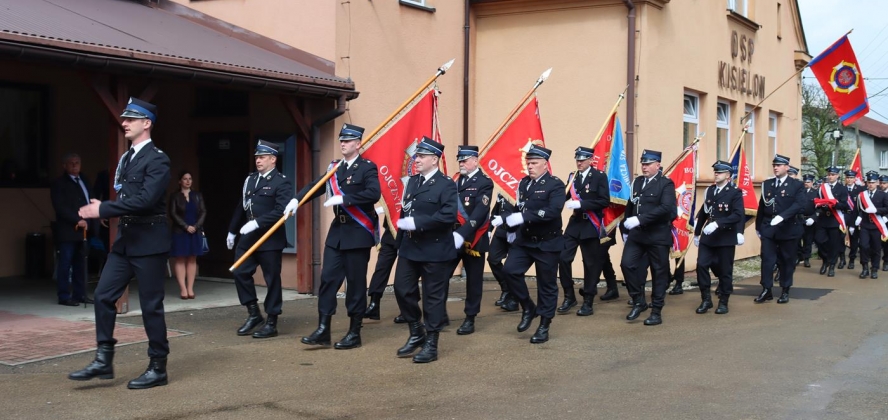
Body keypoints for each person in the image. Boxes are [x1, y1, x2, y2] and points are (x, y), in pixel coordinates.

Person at [68, 98, 172, 389]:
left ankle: (157, 367)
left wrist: (104, 209)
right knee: (102, 295)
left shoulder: (158, 159)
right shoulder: (127, 158)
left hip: (150, 240)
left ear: (146, 123)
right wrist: (110, 209)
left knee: (151, 306)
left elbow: (145, 200)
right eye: (124, 118)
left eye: (131, 119)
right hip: (127, 241)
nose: (124, 123)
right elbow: (127, 199)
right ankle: (104, 359)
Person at [289, 124, 381, 350]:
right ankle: (323, 329)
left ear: (358, 144)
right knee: (328, 280)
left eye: (348, 140)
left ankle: (354, 332)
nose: (343, 143)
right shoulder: (335, 167)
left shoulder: (367, 167)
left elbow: (373, 193)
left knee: (356, 285)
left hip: (358, 233)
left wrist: (345, 199)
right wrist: (297, 200)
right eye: (341, 140)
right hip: (337, 234)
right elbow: (316, 186)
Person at [393, 137, 458, 363]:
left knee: (433, 298)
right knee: (402, 289)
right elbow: (405, 212)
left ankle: (431, 343)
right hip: (410, 248)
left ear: (434, 159)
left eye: (421, 156)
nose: (416, 159)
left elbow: (449, 216)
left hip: (436, 249)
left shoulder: (446, 184)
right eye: (416, 156)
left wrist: (418, 223)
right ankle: (415, 330)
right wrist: (398, 241)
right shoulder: (412, 182)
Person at [227, 140, 292, 339]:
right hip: (248, 236)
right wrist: (232, 231)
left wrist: (258, 223)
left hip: (270, 238)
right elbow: (242, 206)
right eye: (257, 157)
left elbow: (282, 211)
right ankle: (254, 313)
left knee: (272, 279)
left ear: (273, 159)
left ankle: (272, 321)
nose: (258, 160)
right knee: (239, 270)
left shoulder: (281, 182)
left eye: (262, 157)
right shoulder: (251, 180)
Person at [501, 145, 566, 343]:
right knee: (510, 271)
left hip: (547, 243)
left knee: (546, 285)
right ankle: (528, 307)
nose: (530, 166)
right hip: (525, 240)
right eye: (528, 163)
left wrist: (523, 216)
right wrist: (507, 221)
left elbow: (552, 212)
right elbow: (518, 206)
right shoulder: (524, 184)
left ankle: (544, 325)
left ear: (545, 165)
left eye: (534, 163)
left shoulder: (555, 185)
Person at [620, 150, 676, 325]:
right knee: (627, 264)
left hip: (657, 235)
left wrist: (640, 219)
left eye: (648, 164)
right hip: (637, 234)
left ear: (657, 165)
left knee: (659, 273)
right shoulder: (637, 182)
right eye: (643, 164)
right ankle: (638, 300)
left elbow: (666, 208)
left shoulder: (665, 184)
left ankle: (656, 311)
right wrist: (625, 226)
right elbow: (631, 205)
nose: (644, 167)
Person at [558, 146, 609, 316]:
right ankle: (569, 295)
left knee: (590, 264)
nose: (579, 163)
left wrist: (582, 204)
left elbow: (604, 201)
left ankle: (588, 300)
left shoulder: (599, 177)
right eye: (577, 160)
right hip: (575, 225)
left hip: (590, 225)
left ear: (590, 160)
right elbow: (564, 195)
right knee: (563, 258)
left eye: (582, 160)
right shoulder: (573, 177)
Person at [449, 145, 493, 335]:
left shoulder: (484, 182)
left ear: (475, 160)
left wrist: (463, 233)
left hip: (474, 236)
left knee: (473, 281)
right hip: (452, 237)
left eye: (465, 160)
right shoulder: (454, 180)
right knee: (441, 275)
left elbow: (480, 211)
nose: (461, 163)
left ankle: (470, 317)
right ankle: (438, 314)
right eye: (459, 159)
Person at [693, 160, 744, 314]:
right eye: (715, 171)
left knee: (725, 270)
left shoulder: (735, 192)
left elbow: (737, 215)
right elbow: (704, 211)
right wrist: (697, 232)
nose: (716, 174)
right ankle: (706, 299)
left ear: (728, 175)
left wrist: (718, 224)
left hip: (725, 237)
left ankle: (723, 300)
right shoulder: (710, 190)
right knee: (701, 265)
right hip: (708, 237)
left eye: (720, 172)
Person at [755, 154, 807, 304]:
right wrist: (759, 227)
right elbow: (762, 206)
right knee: (767, 260)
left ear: (787, 167)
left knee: (786, 260)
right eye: (774, 165)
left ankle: (785, 289)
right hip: (769, 229)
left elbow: (799, 205)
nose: (776, 168)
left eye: (779, 165)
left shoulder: (796, 185)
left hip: (788, 229)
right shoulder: (767, 184)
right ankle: (766, 289)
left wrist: (783, 216)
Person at [50, 153, 94, 307]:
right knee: (65, 263)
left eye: (77, 162)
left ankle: (80, 294)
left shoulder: (84, 180)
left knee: (81, 264)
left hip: (84, 230)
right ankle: (63, 296)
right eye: (71, 163)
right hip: (68, 230)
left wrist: (99, 214)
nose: (75, 165)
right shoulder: (59, 183)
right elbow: (60, 207)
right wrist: (77, 219)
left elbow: (91, 199)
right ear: (64, 166)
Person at [168, 170, 206, 300]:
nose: (188, 181)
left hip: (195, 230)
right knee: (180, 258)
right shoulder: (175, 196)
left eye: (190, 178)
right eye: (185, 178)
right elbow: (173, 213)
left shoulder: (197, 195)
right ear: (180, 181)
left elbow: (203, 212)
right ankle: (183, 289)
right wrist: (185, 226)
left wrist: (196, 226)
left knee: (192, 258)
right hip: (180, 231)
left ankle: (190, 288)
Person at [364, 212, 401, 322]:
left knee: (405, 274)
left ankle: (408, 309)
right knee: (381, 268)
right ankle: (374, 304)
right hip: (391, 230)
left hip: (408, 232)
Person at [814, 166, 850, 278]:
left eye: (833, 175)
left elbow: (845, 205)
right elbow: (816, 201)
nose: (830, 176)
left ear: (838, 176)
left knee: (834, 244)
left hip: (835, 220)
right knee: (819, 241)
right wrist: (821, 206)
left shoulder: (842, 189)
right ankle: (825, 259)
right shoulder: (822, 188)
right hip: (823, 219)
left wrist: (834, 204)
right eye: (829, 174)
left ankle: (832, 266)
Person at [488, 193, 519, 311]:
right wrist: (490, 229)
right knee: (493, 259)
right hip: (502, 230)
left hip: (516, 231)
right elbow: (497, 209)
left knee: (511, 267)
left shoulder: (523, 187)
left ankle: (514, 298)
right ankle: (506, 289)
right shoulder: (504, 188)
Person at [854, 172, 888, 279]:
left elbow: (887, 208)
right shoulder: (862, 195)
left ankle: (874, 269)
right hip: (865, 225)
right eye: (869, 182)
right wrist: (859, 216)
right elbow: (859, 209)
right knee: (863, 246)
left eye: (873, 182)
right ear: (866, 183)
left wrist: (877, 210)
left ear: (877, 183)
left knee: (876, 248)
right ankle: (865, 268)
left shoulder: (883, 195)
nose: (871, 184)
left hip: (877, 225)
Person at [840, 170, 864, 269]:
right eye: (847, 177)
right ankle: (842, 259)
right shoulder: (842, 189)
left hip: (855, 216)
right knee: (840, 238)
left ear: (855, 179)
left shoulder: (860, 190)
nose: (849, 179)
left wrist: (860, 216)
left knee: (854, 239)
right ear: (845, 178)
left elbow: (863, 204)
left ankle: (852, 259)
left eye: (851, 178)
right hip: (843, 215)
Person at [799, 174, 818, 268]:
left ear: (812, 182)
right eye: (805, 182)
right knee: (798, 238)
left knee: (808, 240)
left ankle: (806, 258)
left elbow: (819, 209)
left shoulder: (816, 193)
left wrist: (813, 218)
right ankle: (799, 256)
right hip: (800, 218)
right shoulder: (800, 192)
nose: (806, 183)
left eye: (808, 182)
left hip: (810, 219)